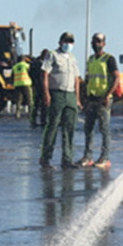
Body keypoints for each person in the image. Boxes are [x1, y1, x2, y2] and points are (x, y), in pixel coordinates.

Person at [40, 33, 81, 169]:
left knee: (70, 127)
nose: (68, 44)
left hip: (70, 95)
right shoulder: (52, 55)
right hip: (56, 94)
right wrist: (46, 93)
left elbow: (76, 79)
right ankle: (45, 158)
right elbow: (44, 74)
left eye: (71, 42)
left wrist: (78, 99)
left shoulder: (73, 58)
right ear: (60, 42)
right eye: (66, 41)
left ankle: (67, 159)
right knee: (53, 126)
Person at [78, 32, 119, 169]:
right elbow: (88, 79)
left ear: (103, 44)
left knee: (104, 129)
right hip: (91, 99)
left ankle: (105, 157)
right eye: (94, 41)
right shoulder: (90, 60)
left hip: (103, 99)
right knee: (88, 128)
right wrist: (84, 97)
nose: (95, 43)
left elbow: (116, 78)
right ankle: (88, 157)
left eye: (98, 41)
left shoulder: (109, 59)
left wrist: (108, 95)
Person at [29, 49, 50, 127]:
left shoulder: (46, 63)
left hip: (44, 86)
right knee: (36, 104)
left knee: (44, 104)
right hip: (37, 85)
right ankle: (33, 120)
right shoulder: (35, 63)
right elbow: (32, 73)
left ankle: (43, 120)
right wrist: (36, 82)